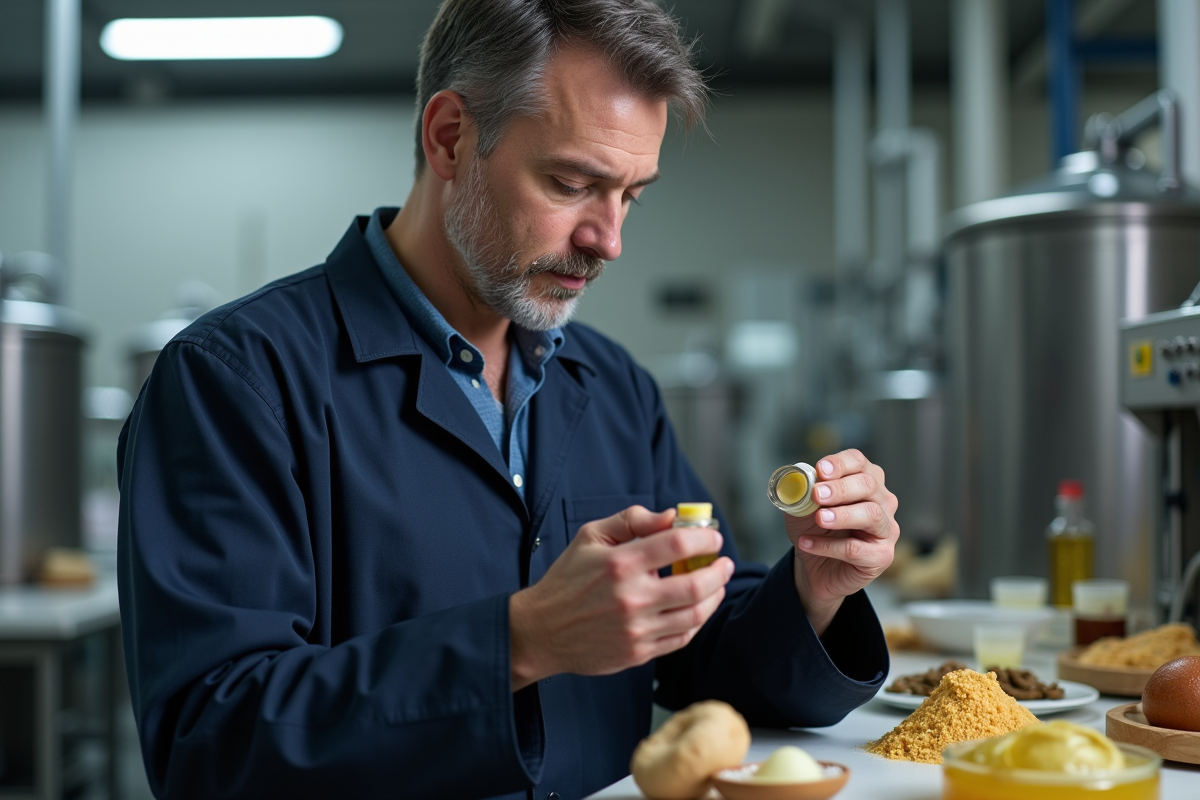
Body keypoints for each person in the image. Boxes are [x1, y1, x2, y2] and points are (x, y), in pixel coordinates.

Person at [117, 1, 899, 798]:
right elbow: (207, 743)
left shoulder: (613, 387)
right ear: (450, 137)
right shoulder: (239, 378)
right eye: (572, 182)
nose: (609, 239)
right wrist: (521, 642)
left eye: (631, 195)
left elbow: (702, 649)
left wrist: (816, 592)